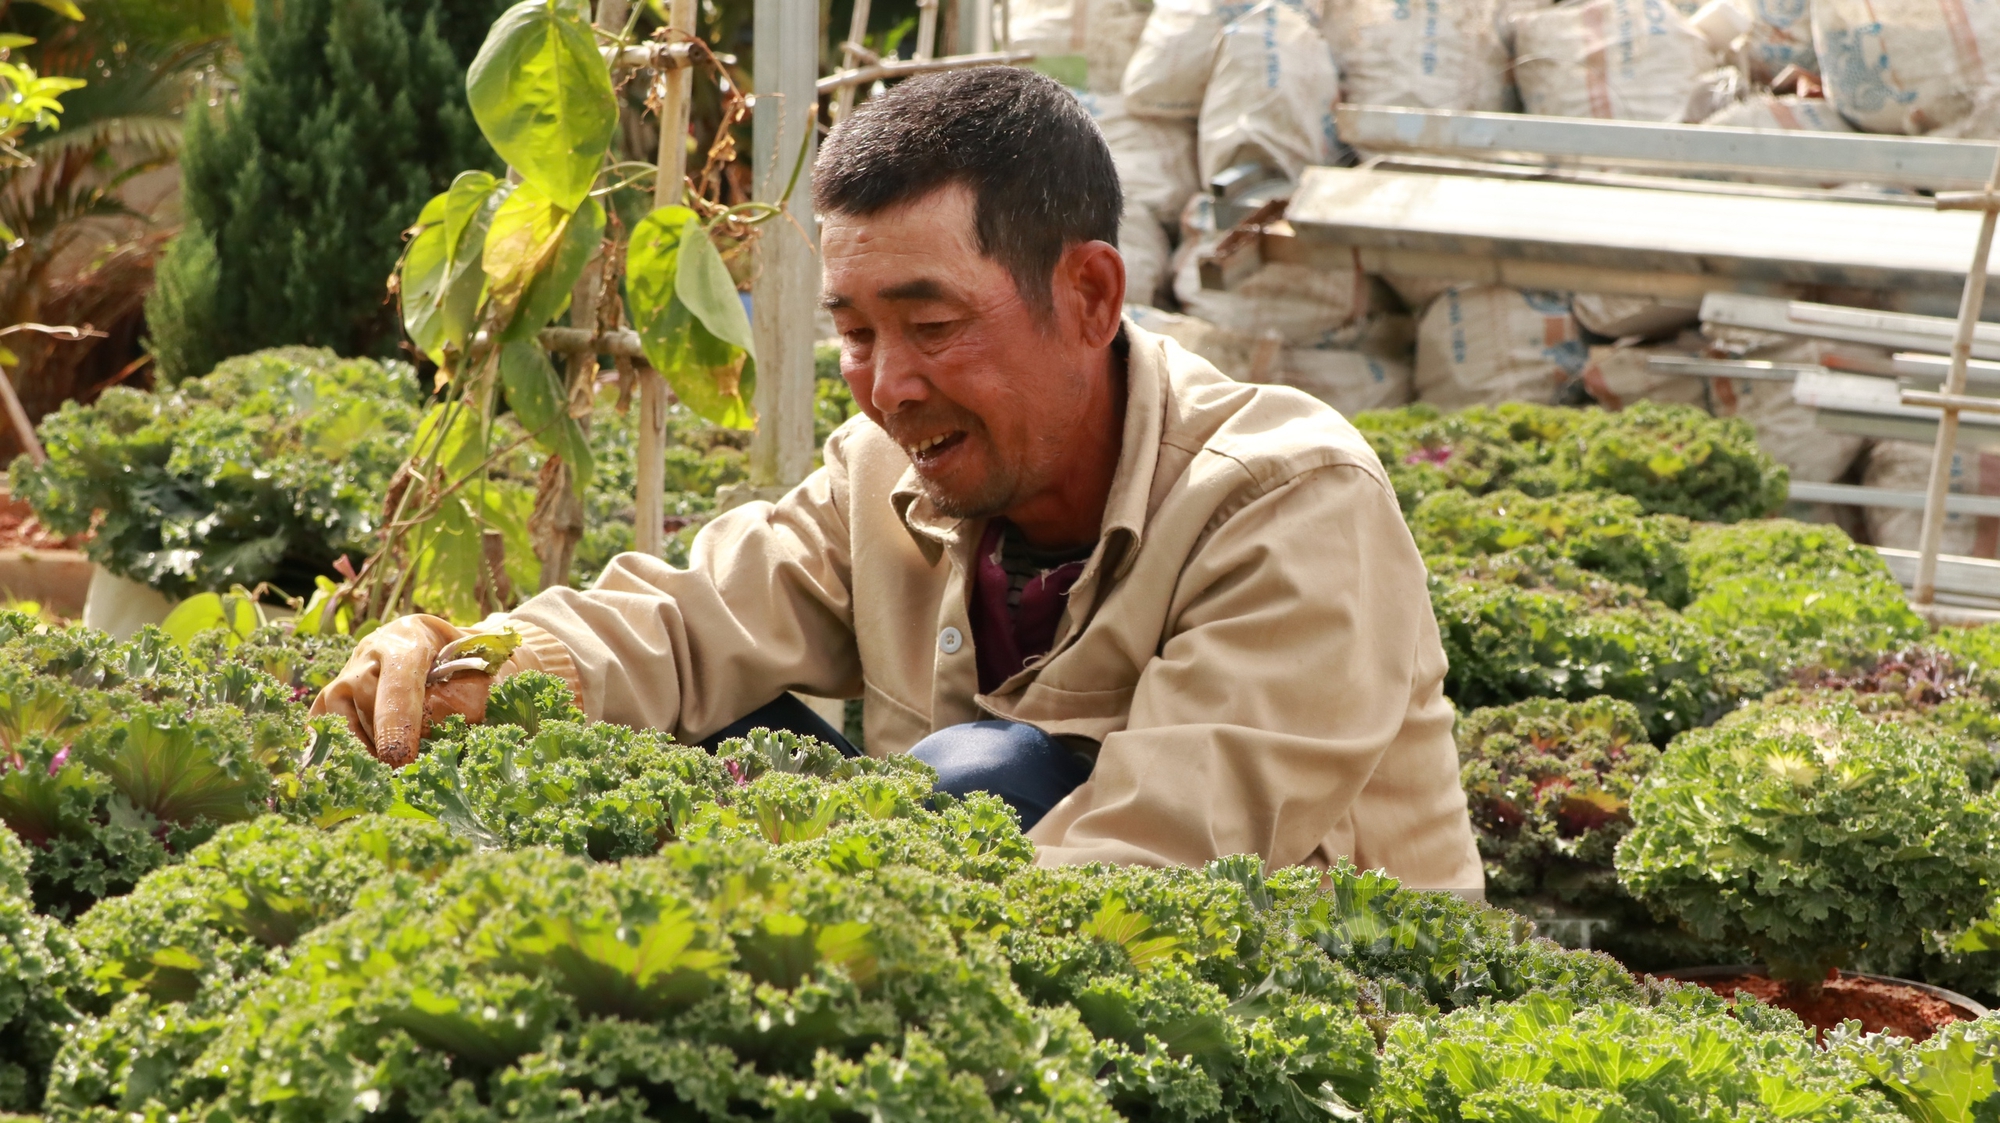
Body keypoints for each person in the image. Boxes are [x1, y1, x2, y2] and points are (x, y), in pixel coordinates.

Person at [314, 66, 1481, 888]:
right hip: (1002, 934)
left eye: (930, 324)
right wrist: (487, 663)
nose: (887, 385)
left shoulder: (1288, 502)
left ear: (1087, 296)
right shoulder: (894, 472)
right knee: (713, 736)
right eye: (855, 332)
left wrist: (802, 951)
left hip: (1308, 1016)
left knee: (984, 773)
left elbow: (1155, 856)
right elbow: (689, 618)